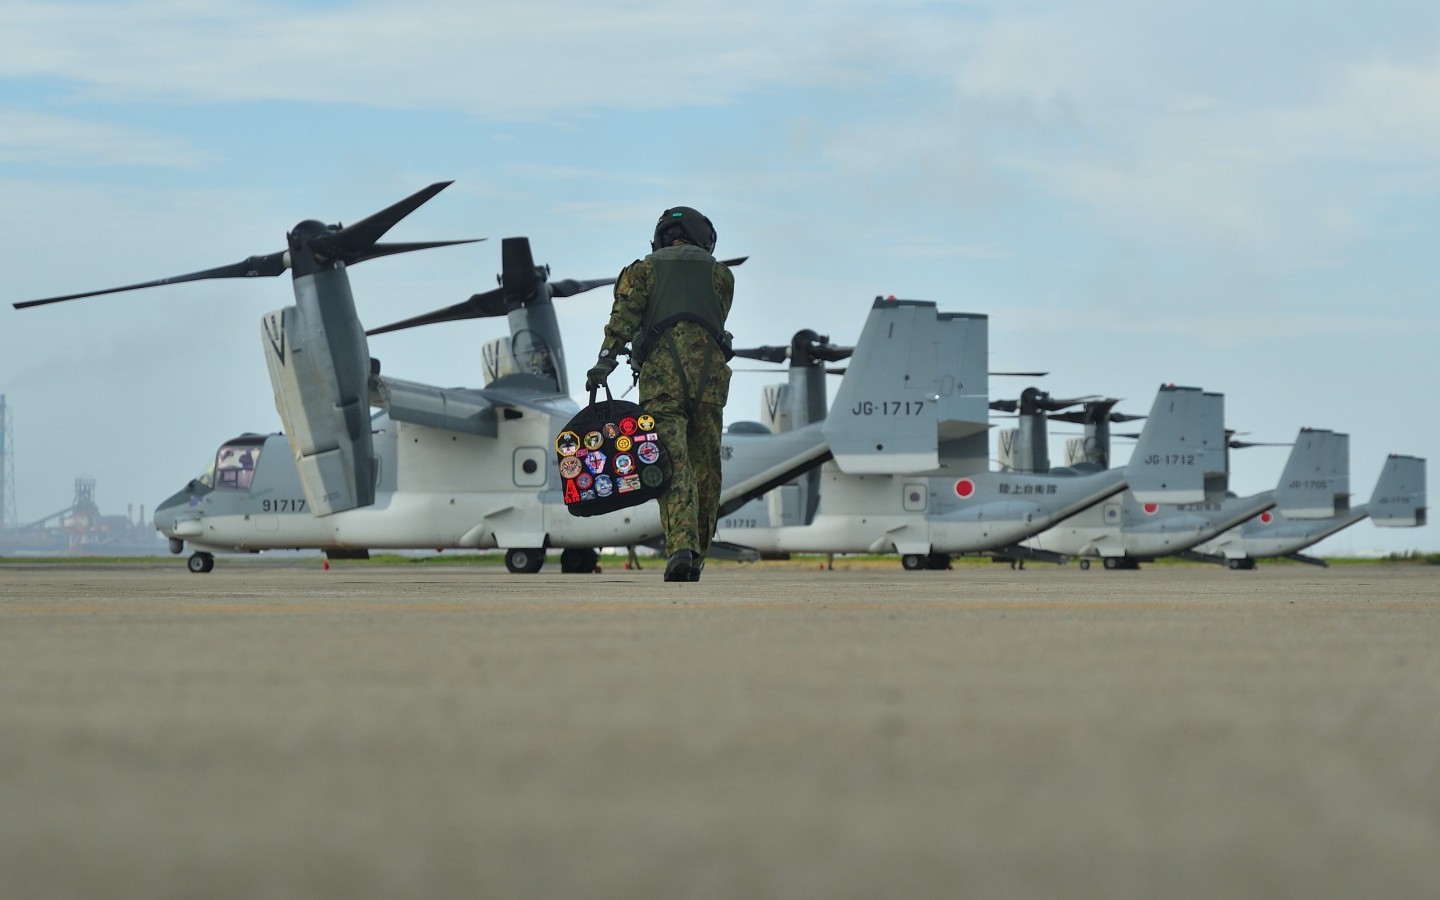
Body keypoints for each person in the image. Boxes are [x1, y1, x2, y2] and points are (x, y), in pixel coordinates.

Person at [586, 207, 734, 582]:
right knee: (707, 468)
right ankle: (698, 556)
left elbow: (622, 322)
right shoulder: (722, 276)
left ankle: (680, 549)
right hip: (709, 383)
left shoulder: (641, 271)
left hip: (662, 382)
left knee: (673, 464)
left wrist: (604, 365)